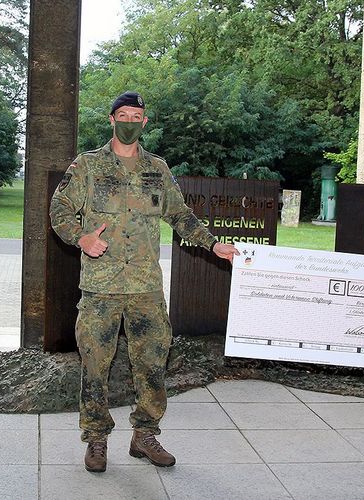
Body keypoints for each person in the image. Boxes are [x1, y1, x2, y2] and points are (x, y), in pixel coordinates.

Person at [50, 91, 239, 473]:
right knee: (95, 366)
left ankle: (145, 434)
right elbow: (59, 209)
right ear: (111, 119)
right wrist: (82, 237)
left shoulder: (157, 168)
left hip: (145, 287)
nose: (130, 121)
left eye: (137, 115)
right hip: (101, 287)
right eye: (123, 114)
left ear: (145, 122)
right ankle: (97, 439)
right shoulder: (87, 166)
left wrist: (214, 245)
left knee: (153, 363)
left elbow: (181, 215)